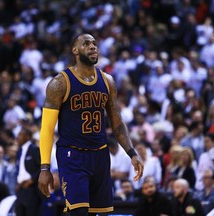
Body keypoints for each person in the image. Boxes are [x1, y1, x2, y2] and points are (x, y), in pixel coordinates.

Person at [38, 33, 144, 216]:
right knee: (79, 213)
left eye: (94, 43)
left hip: (100, 155)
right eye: (86, 44)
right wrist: (45, 167)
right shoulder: (60, 83)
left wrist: (132, 153)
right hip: (73, 156)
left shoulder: (107, 81)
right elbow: (47, 128)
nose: (93, 47)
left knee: (102, 214)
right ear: (75, 51)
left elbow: (116, 121)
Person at [15, 127, 42, 216]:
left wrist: (31, 180)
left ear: (27, 136)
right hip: (20, 189)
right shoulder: (19, 151)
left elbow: (41, 168)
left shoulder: (34, 149)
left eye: (20, 135)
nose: (17, 137)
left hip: (31, 189)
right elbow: (19, 169)